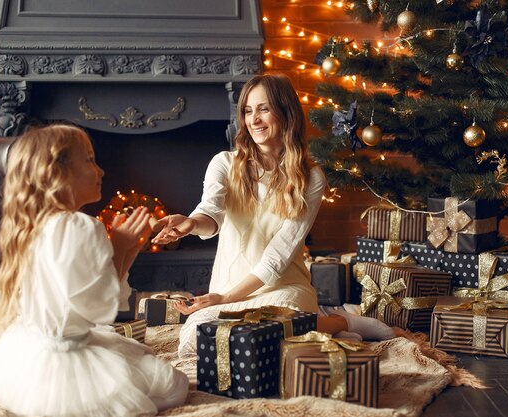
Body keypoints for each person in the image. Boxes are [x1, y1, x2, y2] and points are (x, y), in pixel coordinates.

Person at [151, 73, 395, 358]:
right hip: (230, 287)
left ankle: (342, 322)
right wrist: (190, 223)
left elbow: (279, 255)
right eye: (248, 111)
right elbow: (211, 213)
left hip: (284, 287)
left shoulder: (311, 177)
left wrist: (226, 299)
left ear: (285, 112)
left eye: (263, 109)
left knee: (268, 336)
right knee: (194, 340)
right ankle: (326, 327)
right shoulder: (224, 163)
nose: (254, 120)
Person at [0, 124, 189, 417]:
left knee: (139, 360)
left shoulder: (30, 226)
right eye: (89, 160)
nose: (101, 171)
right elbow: (98, 310)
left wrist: (127, 249)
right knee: (172, 385)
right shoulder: (81, 226)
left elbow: (91, 292)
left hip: (28, 356)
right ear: (57, 172)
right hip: (68, 362)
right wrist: (117, 246)